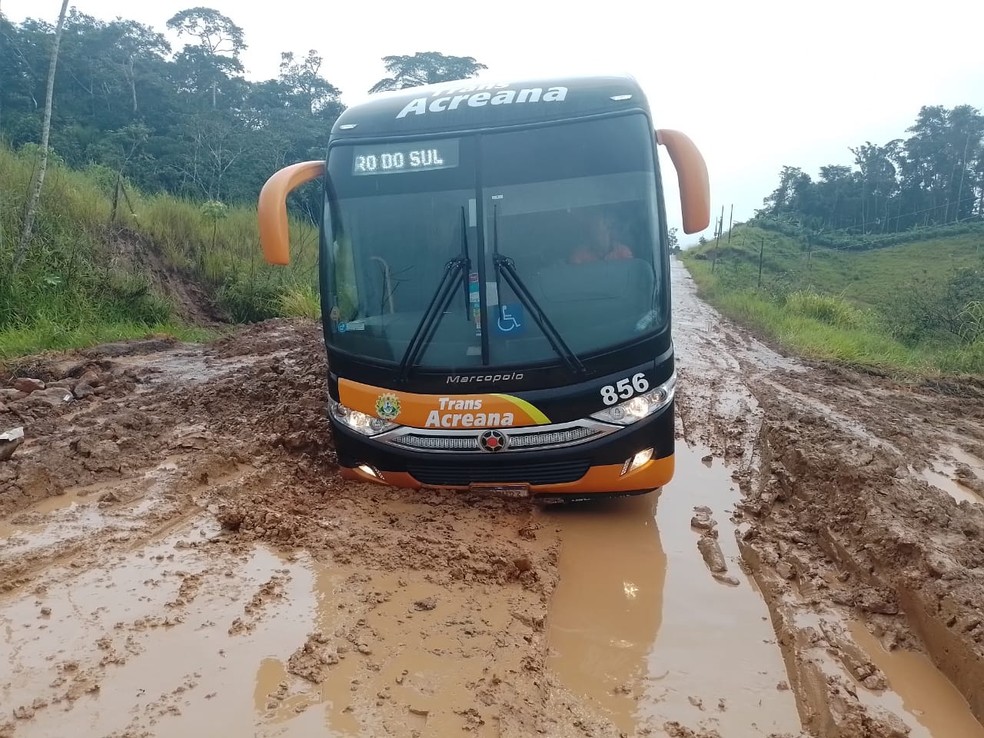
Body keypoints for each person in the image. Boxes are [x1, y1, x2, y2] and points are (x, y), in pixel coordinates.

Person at [568, 211, 633, 264]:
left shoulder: (623, 252)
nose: (606, 230)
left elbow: (629, 277)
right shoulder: (579, 256)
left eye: (607, 225)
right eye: (595, 226)